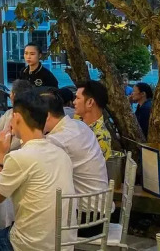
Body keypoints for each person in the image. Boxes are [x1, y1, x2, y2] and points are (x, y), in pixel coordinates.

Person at [0, 90, 75, 251]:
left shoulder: (20, 157)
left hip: (31, 246)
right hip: (64, 245)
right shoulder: (62, 154)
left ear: (16, 118)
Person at [40, 88, 109, 238]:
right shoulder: (79, 125)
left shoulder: (58, 139)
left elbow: (32, 163)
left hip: (86, 219)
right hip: (101, 212)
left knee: (32, 217)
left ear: (46, 115)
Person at [74, 80, 112, 160]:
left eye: (77, 98)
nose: (74, 102)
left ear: (90, 102)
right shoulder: (77, 119)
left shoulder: (101, 137)